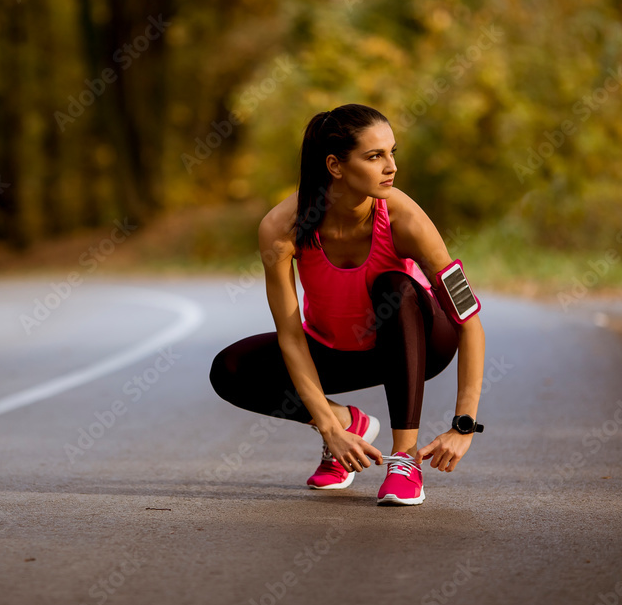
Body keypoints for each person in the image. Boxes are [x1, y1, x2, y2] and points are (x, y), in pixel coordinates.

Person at [208, 104, 487, 505]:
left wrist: (463, 425)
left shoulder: (407, 219)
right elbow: (290, 334)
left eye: (393, 152)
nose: (391, 167)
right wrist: (329, 427)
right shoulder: (281, 228)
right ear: (335, 166)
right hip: (337, 346)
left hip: (421, 341)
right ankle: (348, 422)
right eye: (375, 156)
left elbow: (469, 320)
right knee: (230, 369)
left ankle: (404, 461)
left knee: (396, 287)